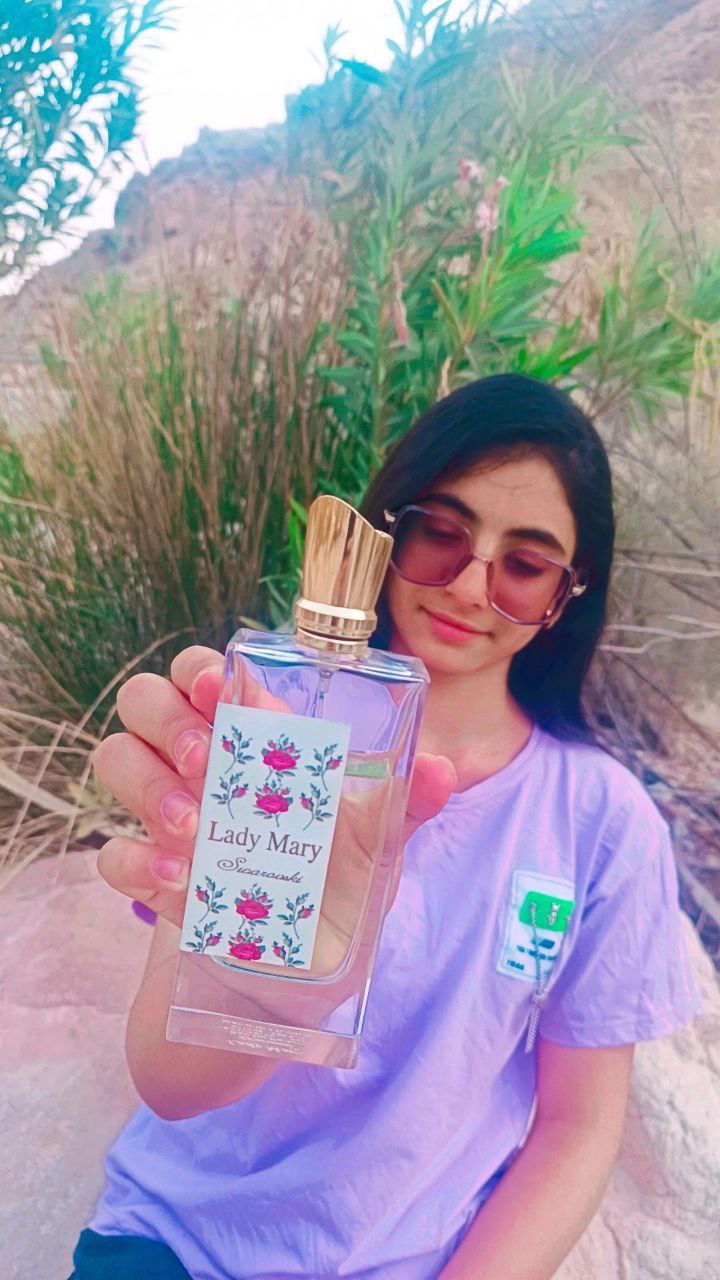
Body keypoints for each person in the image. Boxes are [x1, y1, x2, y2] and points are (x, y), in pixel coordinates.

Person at [71, 374, 701, 1280]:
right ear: (386, 532)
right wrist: (278, 989)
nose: (471, 586)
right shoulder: (278, 723)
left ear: (568, 593)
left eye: (525, 564)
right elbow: (170, 1085)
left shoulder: (601, 823)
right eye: (441, 531)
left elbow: (576, 1126)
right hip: (179, 1241)